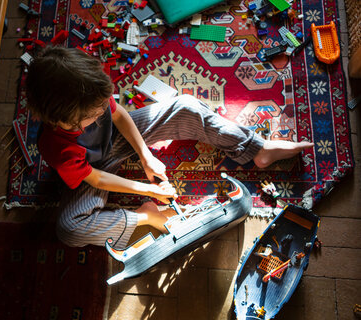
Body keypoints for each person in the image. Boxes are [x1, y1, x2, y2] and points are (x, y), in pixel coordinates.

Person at [25, 46, 313, 249]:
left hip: (114, 142)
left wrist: (145, 155)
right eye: (91, 116)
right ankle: (146, 215)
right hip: (93, 171)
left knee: (185, 105)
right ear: (62, 121)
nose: (101, 112)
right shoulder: (56, 145)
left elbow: (118, 114)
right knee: (69, 229)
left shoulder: (89, 96)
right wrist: (148, 191)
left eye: (101, 106)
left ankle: (256, 147)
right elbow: (97, 178)